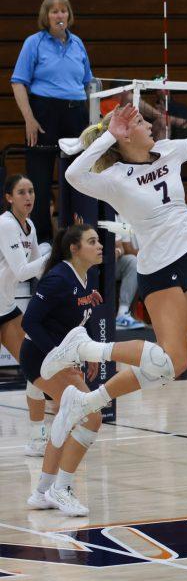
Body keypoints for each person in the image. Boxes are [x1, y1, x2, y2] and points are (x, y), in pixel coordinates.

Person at [39, 101, 187, 450]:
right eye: (143, 123)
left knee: (174, 364)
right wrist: (106, 137)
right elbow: (73, 176)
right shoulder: (114, 179)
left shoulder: (167, 151)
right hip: (161, 268)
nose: (151, 125)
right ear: (125, 135)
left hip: (182, 261)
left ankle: (87, 401)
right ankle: (86, 347)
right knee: (169, 359)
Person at [18, 224, 104, 516]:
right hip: (40, 357)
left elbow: (83, 314)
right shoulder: (56, 279)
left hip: (62, 360)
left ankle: (43, 492)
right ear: (74, 249)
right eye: (92, 241)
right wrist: (59, 355)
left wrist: (89, 351)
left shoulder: (86, 275)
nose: (99, 245)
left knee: (70, 418)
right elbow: (29, 323)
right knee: (90, 415)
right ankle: (61, 489)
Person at [10, 0, 95, 241]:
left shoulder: (78, 43)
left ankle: (74, 237)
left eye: (63, 11)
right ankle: (42, 240)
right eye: (54, 11)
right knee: (40, 180)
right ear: (45, 17)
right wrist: (29, 119)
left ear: (69, 15)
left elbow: (88, 83)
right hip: (44, 113)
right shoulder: (34, 43)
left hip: (75, 113)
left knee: (76, 177)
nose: (59, 16)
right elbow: (18, 83)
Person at [0, 174, 51, 456]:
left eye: (31, 191)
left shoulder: (28, 226)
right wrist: (54, 253)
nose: (28, 197)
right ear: (9, 197)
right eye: (21, 192)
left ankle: (37, 439)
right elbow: (22, 272)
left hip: (5, 309)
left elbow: (34, 268)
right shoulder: (5, 225)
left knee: (35, 369)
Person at [112, 213, 145, 330]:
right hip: (91, 264)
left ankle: (122, 314)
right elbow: (128, 248)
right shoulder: (85, 211)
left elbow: (120, 247)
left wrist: (117, 252)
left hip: (111, 264)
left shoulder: (113, 216)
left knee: (133, 262)